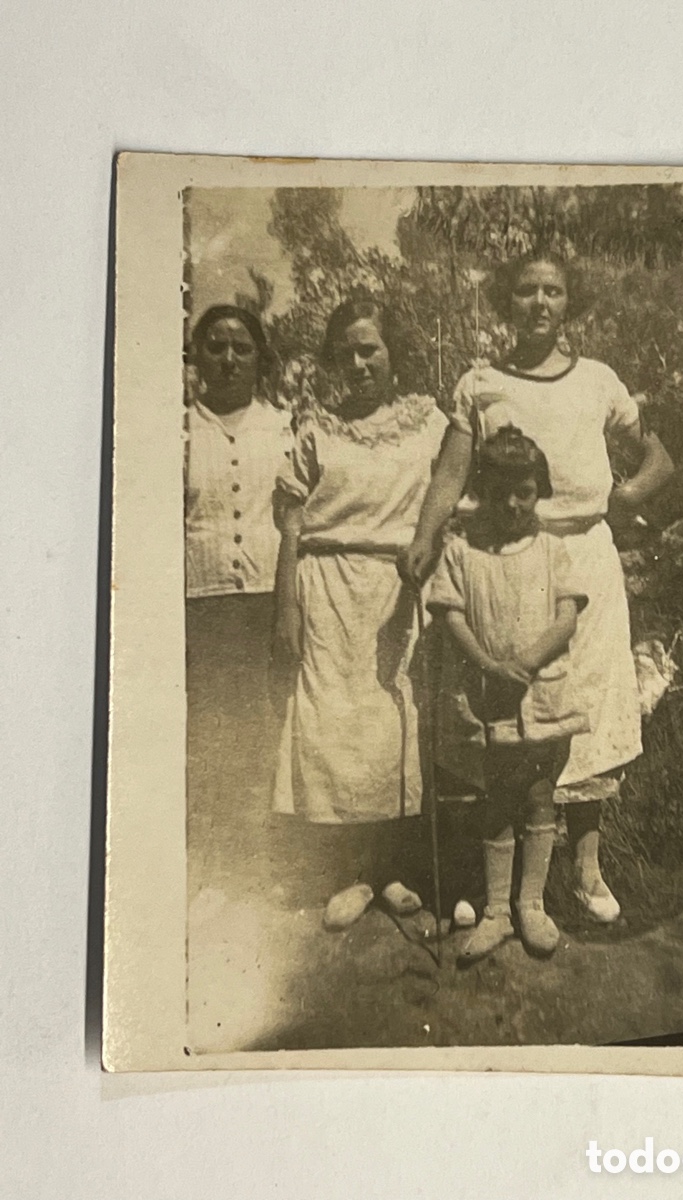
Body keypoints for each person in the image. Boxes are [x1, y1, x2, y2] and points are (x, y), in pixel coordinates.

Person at [400, 253, 674, 923]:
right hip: (501, 561)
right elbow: (449, 475)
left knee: (586, 716)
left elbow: (658, 458)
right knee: (505, 715)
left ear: (568, 302)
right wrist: (425, 537)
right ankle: (496, 885)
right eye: (526, 290)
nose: (539, 302)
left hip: (582, 562)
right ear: (507, 301)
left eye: (553, 291)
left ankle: (583, 872)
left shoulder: (599, 381)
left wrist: (627, 493)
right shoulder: (481, 383)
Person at [273, 296, 449, 931]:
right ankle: (350, 875)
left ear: (393, 352)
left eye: (369, 347)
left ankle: (393, 872)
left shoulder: (430, 423)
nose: (358, 360)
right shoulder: (316, 428)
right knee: (334, 730)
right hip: (325, 587)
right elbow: (290, 526)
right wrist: (286, 607)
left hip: (398, 587)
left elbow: (454, 494)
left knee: (390, 726)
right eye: (346, 350)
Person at [429, 426, 588, 961]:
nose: (513, 503)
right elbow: (450, 615)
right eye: (501, 491)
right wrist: (489, 665)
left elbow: (566, 617)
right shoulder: (461, 553)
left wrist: (525, 661)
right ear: (482, 491)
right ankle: (497, 911)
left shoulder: (552, 550)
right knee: (494, 798)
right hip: (488, 696)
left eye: (524, 490)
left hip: (540, 694)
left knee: (540, 794)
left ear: (539, 490)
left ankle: (531, 905)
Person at [184, 305, 293, 889]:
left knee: (263, 729)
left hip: (266, 600)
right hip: (198, 602)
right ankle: (211, 864)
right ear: (196, 356)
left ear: (259, 359)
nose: (228, 359)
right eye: (216, 347)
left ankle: (260, 862)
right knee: (205, 733)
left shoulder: (284, 426)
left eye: (242, 348)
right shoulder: (177, 428)